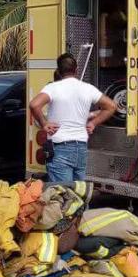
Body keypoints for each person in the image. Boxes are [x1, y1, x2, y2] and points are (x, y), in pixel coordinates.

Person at [29, 53, 116, 182]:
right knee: (78, 193)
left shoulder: (52, 88)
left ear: (58, 71)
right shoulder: (88, 88)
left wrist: (44, 123)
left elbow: (34, 104)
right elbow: (111, 106)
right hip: (80, 148)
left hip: (60, 148)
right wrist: (93, 123)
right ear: (76, 70)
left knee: (63, 195)